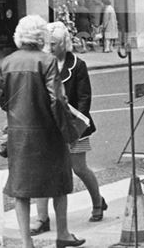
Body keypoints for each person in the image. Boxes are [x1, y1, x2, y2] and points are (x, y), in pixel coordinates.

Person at [0, 16, 85, 248]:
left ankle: (27, 242)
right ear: (42, 37)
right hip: (48, 132)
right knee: (59, 182)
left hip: (19, 133)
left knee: (21, 189)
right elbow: (57, 100)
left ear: (19, 35)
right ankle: (63, 234)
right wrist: (68, 132)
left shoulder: (7, 62)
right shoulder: (47, 61)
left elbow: (2, 100)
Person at [32, 22, 105, 235]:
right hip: (50, 126)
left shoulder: (78, 65)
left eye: (54, 43)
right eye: (48, 43)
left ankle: (98, 203)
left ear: (64, 43)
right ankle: (42, 218)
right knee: (44, 171)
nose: (50, 47)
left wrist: (76, 127)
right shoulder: (43, 63)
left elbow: (84, 98)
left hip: (75, 126)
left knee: (79, 168)